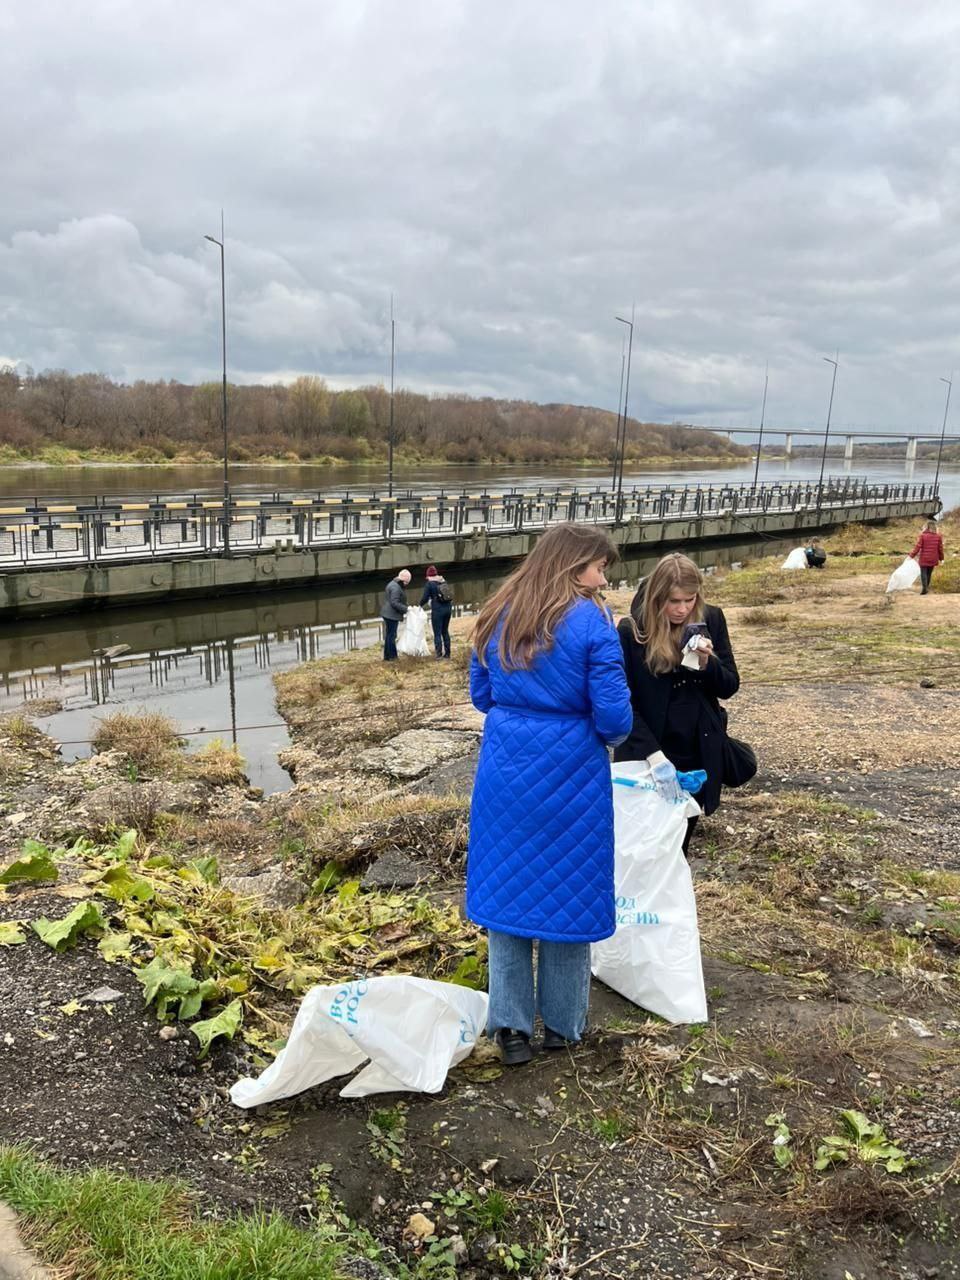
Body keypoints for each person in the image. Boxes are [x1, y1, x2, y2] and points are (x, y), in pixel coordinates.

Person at [467, 524, 633, 1067]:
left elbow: (482, 694)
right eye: (599, 567)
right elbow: (613, 719)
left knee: (508, 894)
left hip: (506, 770)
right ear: (574, 564)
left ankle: (510, 1028)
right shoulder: (594, 622)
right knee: (571, 891)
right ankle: (563, 1025)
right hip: (572, 773)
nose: (603, 577)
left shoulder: (497, 610)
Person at [615, 552, 740, 854]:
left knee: (679, 845)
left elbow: (729, 686)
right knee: (641, 847)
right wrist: (653, 756)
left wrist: (706, 663)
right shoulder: (633, 631)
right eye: (674, 601)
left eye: (689, 599)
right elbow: (623, 703)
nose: (683, 609)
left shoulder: (710, 618)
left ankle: (673, 900)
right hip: (648, 753)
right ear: (658, 597)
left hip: (696, 751)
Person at [420, 565, 453, 659]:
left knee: (437, 633)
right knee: (445, 631)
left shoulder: (429, 584)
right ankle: (447, 654)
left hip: (438, 610)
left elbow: (425, 598)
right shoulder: (443, 581)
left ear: (428, 575)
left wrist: (419, 606)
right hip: (448, 608)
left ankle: (439, 654)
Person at [379, 569, 411, 661]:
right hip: (391, 615)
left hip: (387, 613)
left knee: (389, 635)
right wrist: (406, 609)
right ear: (403, 580)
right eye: (407, 582)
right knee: (392, 636)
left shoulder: (393, 583)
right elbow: (394, 602)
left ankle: (387, 656)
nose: (406, 585)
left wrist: (406, 605)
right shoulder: (396, 588)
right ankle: (393, 657)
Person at [910, 520, 944, 595]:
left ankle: (924, 588)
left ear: (926, 527)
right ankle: (926, 587)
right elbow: (940, 548)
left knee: (923, 573)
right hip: (933, 558)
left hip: (924, 558)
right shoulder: (938, 536)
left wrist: (911, 555)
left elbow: (918, 547)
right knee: (929, 574)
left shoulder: (923, 535)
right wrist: (941, 559)